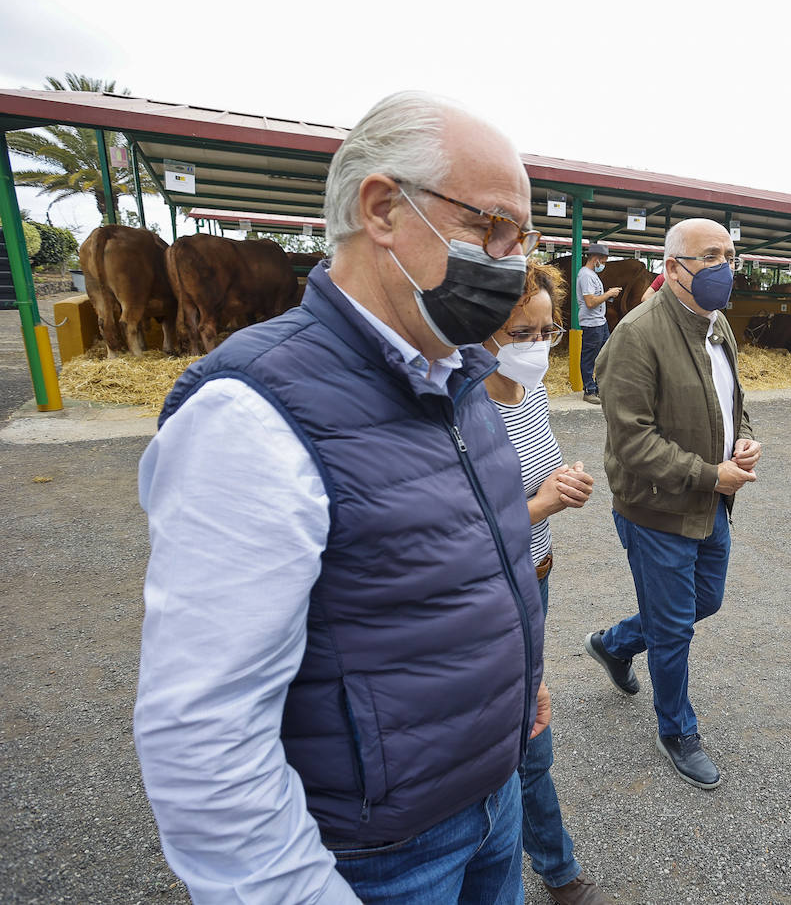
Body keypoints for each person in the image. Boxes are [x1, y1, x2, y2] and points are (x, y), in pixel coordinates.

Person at [134, 91, 549, 904]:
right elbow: (205, 732)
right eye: (489, 226)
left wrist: (518, 671)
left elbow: (464, 570)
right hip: (382, 857)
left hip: (492, 804)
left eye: (519, 238)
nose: (508, 261)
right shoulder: (251, 414)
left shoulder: (461, 375)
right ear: (384, 209)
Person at [583, 218, 762, 790]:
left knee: (702, 602)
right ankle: (677, 730)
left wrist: (744, 437)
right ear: (672, 268)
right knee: (674, 628)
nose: (723, 267)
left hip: (711, 502)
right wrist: (711, 475)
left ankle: (613, 644)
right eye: (710, 256)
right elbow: (632, 441)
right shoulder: (635, 336)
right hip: (657, 511)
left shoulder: (718, 325)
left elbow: (731, 399)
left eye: (729, 255)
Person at [482, 263, 608, 905]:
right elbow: (464, 528)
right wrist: (545, 503)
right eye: (519, 331)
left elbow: (542, 469)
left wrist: (566, 481)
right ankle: (559, 873)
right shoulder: (463, 402)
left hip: (537, 572)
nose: (535, 345)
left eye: (546, 331)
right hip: (493, 585)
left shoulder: (528, 390)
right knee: (531, 730)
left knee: (528, 719)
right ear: (483, 330)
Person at [576, 243, 620, 404]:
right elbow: (590, 302)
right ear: (595, 259)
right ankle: (589, 390)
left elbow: (595, 298)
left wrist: (608, 295)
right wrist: (609, 293)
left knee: (604, 355)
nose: (604, 264)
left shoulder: (592, 274)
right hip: (592, 323)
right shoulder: (586, 275)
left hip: (600, 322)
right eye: (603, 261)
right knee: (589, 357)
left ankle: (599, 387)